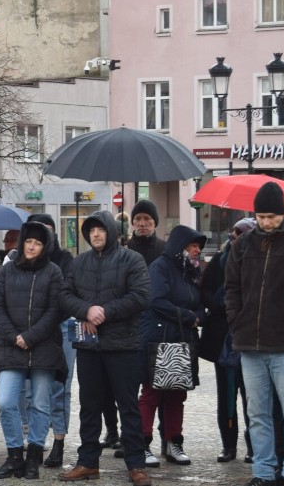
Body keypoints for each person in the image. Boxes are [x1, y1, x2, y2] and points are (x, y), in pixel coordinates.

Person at [58, 210, 152, 486]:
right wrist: (86, 310)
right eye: (91, 230)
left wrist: (104, 313)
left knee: (128, 406)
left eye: (100, 229)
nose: (95, 234)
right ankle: (88, 461)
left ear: (111, 231)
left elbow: (141, 295)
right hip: (89, 347)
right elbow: (64, 294)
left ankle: (136, 464)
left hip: (123, 345)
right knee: (89, 405)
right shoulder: (80, 262)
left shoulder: (132, 259)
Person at [225, 182, 284, 486]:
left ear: (283, 213)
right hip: (249, 344)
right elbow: (231, 289)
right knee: (257, 415)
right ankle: (264, 472)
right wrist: (236, 321)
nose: (265, 222)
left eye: (271, 216)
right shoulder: (242, 245)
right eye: (260, 216)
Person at [0, 220, 65, 479]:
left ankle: (33, 456)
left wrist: (31, 337)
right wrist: (15, 337)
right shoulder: (7, 270)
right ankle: (14, 456)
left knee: (41, 404)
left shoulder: (54, 271)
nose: (32, 247)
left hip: (44, 347)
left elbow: (56, 309)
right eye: (29, 241)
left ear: (45, 246)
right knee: (7, 401)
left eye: (38, 243)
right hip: (11, 348)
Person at [138, 225, 207, 467]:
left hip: (183, 340)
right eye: (193, 245)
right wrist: (190, 317)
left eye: (199, 246)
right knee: (151, 393)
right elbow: (157, 300)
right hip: (159, 340)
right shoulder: (160, 267)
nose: (198, 250)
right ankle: (142, 444)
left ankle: (173, 442)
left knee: (177, 393)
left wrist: (198, 315)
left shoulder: (192, 271)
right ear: (181, 246)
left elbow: (199, 302)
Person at [107, 199, 167, 457]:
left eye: (148, 220)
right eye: (138, 220)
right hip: (127, 324)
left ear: (155, 223)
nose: (142, 224)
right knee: (128, 387)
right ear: (132, 223)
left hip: (157, 324)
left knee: (161, 385)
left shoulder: (165, 251)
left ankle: (168, 438)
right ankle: (130, 437)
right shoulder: (122, 250)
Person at [21, 214, 76, 470]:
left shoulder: (65, 261)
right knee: (31, 390)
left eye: (47, 232)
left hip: (60, 328)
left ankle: (59, 442)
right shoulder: (19, 261)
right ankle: (35, 440)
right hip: (30, 332)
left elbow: (65, 299)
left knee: (59, 388)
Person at [200, 218, 256, 464]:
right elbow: (205, 290)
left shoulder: (257, 261)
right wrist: (222, 304)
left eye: (240, 235)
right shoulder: (219, 261)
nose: (235, 240)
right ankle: (228, 445)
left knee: (252, 397)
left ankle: (253, 446)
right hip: (222, 337)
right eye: (233, 236)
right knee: (226, 395)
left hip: (251, 338)